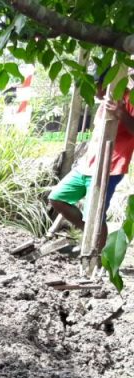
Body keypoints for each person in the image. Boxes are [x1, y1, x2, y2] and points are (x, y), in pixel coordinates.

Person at [49, 80, 134, 251]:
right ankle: (89, 235)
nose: (92, 91)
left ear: (106, 82)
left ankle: (96, 257)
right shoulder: (105, 101)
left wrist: (122, 114)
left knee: (95, 215)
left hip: (110, 167)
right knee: (57, 197)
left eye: (94, 85)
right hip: (87, 164)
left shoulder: (130, 99)